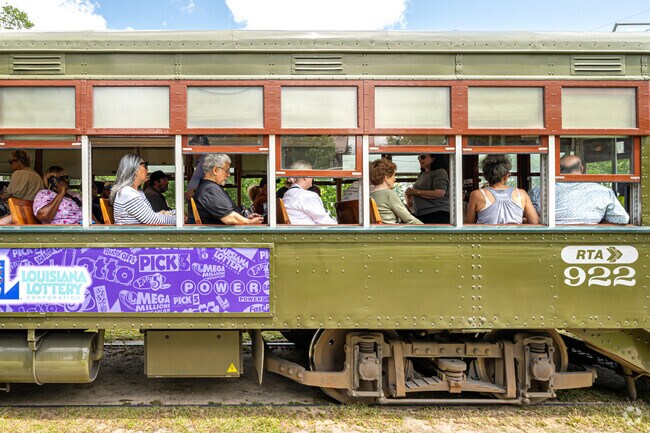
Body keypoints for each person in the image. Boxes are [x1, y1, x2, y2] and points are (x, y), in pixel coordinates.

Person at [465, 155, 539, 225]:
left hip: (487, 238)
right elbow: (535, 221)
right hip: (514, 237)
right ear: (506, 176)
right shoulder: (521, 193)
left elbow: (469, 223)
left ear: (485, 176)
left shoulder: (477, 194)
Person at [555, 155, 629, 225]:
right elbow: (622, 219)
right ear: (581, 168)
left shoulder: (547, 189)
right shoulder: (603, 191)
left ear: (558, 169)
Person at [194, 154, 263, 225]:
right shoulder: (210, 189)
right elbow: (229, 218)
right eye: (226, 170)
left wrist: (246, 217)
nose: (229, 174)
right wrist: (249, 222)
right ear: (215, 170)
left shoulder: (209, 187)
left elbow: (227, 213)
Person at [111, 154, 175, 225]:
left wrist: (175, 213)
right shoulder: (127, 193)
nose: (148, 169)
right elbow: (153, 220)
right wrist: (177, 220)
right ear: (135, 170)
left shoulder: (138, 192)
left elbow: (150, 215)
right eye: (145, 166)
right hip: (131, 235)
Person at [282, 161, 337, 225]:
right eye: (311, 174)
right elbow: (326, 222)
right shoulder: (306, 196)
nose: (312, 178)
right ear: (305, 176)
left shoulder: (287, 194)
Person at [369, 159, 422, 224]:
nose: (395, 179)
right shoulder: (388, 194)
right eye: (393, 175)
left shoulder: (369, 195)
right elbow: (409, 219)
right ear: (386, 178)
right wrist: (426, 228)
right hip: (391, 231)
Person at [0, 150, 44, 225]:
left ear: (19, 162)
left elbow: (11, 195)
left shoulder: (19, 173)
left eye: (11, 161)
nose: (10, 164)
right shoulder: (36, 175)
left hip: (20, 212)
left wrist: (1, 197)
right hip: (32, 213)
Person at [404, 154, 450, 223]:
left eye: (423, 157)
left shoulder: (440, 172)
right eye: (418, 157)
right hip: (421, 214)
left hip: (436, 214)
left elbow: (439, 193)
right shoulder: (422, 174)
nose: (420, 160)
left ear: (434, 158)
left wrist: (416, 192)